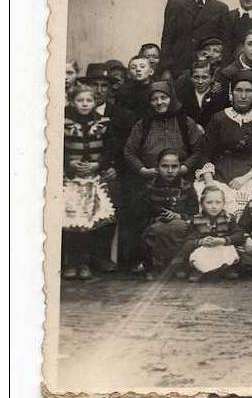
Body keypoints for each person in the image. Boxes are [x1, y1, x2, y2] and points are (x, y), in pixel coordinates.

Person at [123, 82, 206, 274]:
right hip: (150, 179)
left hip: (180, 178)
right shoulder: (143, 124)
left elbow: (199, 149)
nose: (159, 102)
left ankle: (179, 262)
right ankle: (144, 260)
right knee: (139, 212)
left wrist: (184, 168)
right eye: (154, 99)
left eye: (163, 98)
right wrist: (142, 170)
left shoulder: (185, 122)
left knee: (183, 217)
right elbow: (129, 151)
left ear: (172, 98)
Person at [62, 83, 118, 280]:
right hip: (72, 179)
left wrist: (98, 165)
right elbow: (61, 149)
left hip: (94, 179)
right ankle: (71, 262)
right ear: (72, 101)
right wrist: (70, 165)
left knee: (90, 221)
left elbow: (110, 149)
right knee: (71, 221)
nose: (85, 104)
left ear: (95, 102)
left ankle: (85, 262)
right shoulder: (65, 123)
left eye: (89, 100)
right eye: (80, 100)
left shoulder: (103, 123)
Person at [197, 72, 252, 215]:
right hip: (219, 175)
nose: (243, 96)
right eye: (239, 90)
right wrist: (209, 183)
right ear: (231, 94)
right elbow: (205, 152)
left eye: (248, 91)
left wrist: (245, 178)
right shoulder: (218, 118)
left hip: (251, 178)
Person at [160, 0, 231, 77]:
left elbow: (225, 44)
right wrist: (166, 69)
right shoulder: (175, 4)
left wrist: (220, 72)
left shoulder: (220, 8)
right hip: (180, 66)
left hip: (207, 68)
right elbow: (167, 39)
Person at [139, 149, 199, 279]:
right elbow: (142, 216)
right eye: (165, 166)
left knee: (180, 227)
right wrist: (158, 220)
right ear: (157, 167)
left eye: (174, 166)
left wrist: (180, 216)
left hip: (182, 228)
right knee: (158, 230)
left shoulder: (187, 187)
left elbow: (195, 214)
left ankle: (178, 265)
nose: (170, 171)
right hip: (156, 229)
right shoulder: (149, 188)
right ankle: (156, 266)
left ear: (180, 167)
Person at [181, 185, 243, 283]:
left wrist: (224, 240)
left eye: (218, 202)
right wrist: (201, 242)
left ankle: (225, 269)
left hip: (221, 247)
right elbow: (188, 241)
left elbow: (239, 235)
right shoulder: (196, 220)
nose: (214, 206)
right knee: (198, 255)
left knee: (229, 250)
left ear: (223, 203)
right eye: (209, 202)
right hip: (204, 250)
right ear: (202, 204)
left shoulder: (229, 218)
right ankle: (198, 270)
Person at [176, 57, 227, 128]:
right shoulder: (183, 95)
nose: (200, 82)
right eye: (196, 77)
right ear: (190, 78)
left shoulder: (219, 96)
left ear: (212, 78)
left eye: (204, 77)